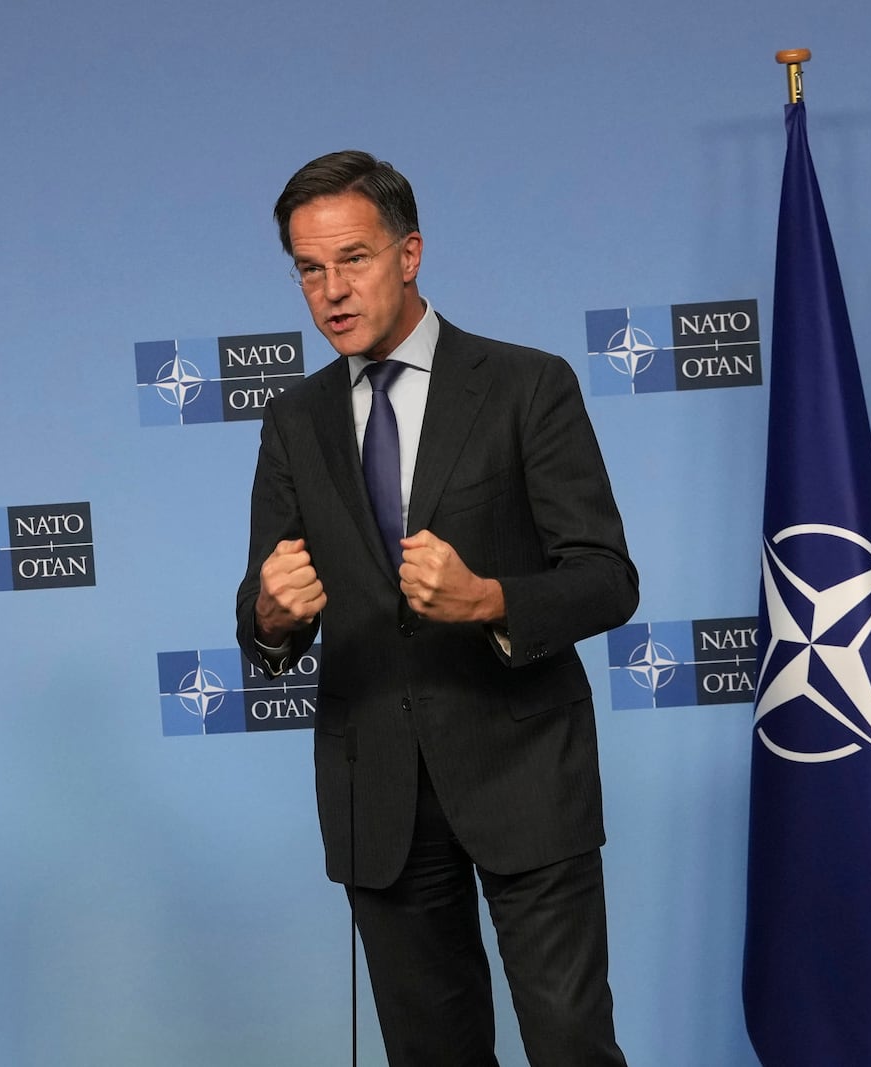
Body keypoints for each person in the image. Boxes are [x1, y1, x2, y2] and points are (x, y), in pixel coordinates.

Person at [236, 151, 637, 1066]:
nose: (331, 290)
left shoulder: (526, 385)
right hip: (376, 794)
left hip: (524, 773)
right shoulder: (293, 422)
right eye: (309, 269)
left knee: (572, 1045)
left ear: (409, 254)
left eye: (355, 258)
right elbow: (263, 619)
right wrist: (272, 613)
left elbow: (608, 576)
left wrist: (489, 598)